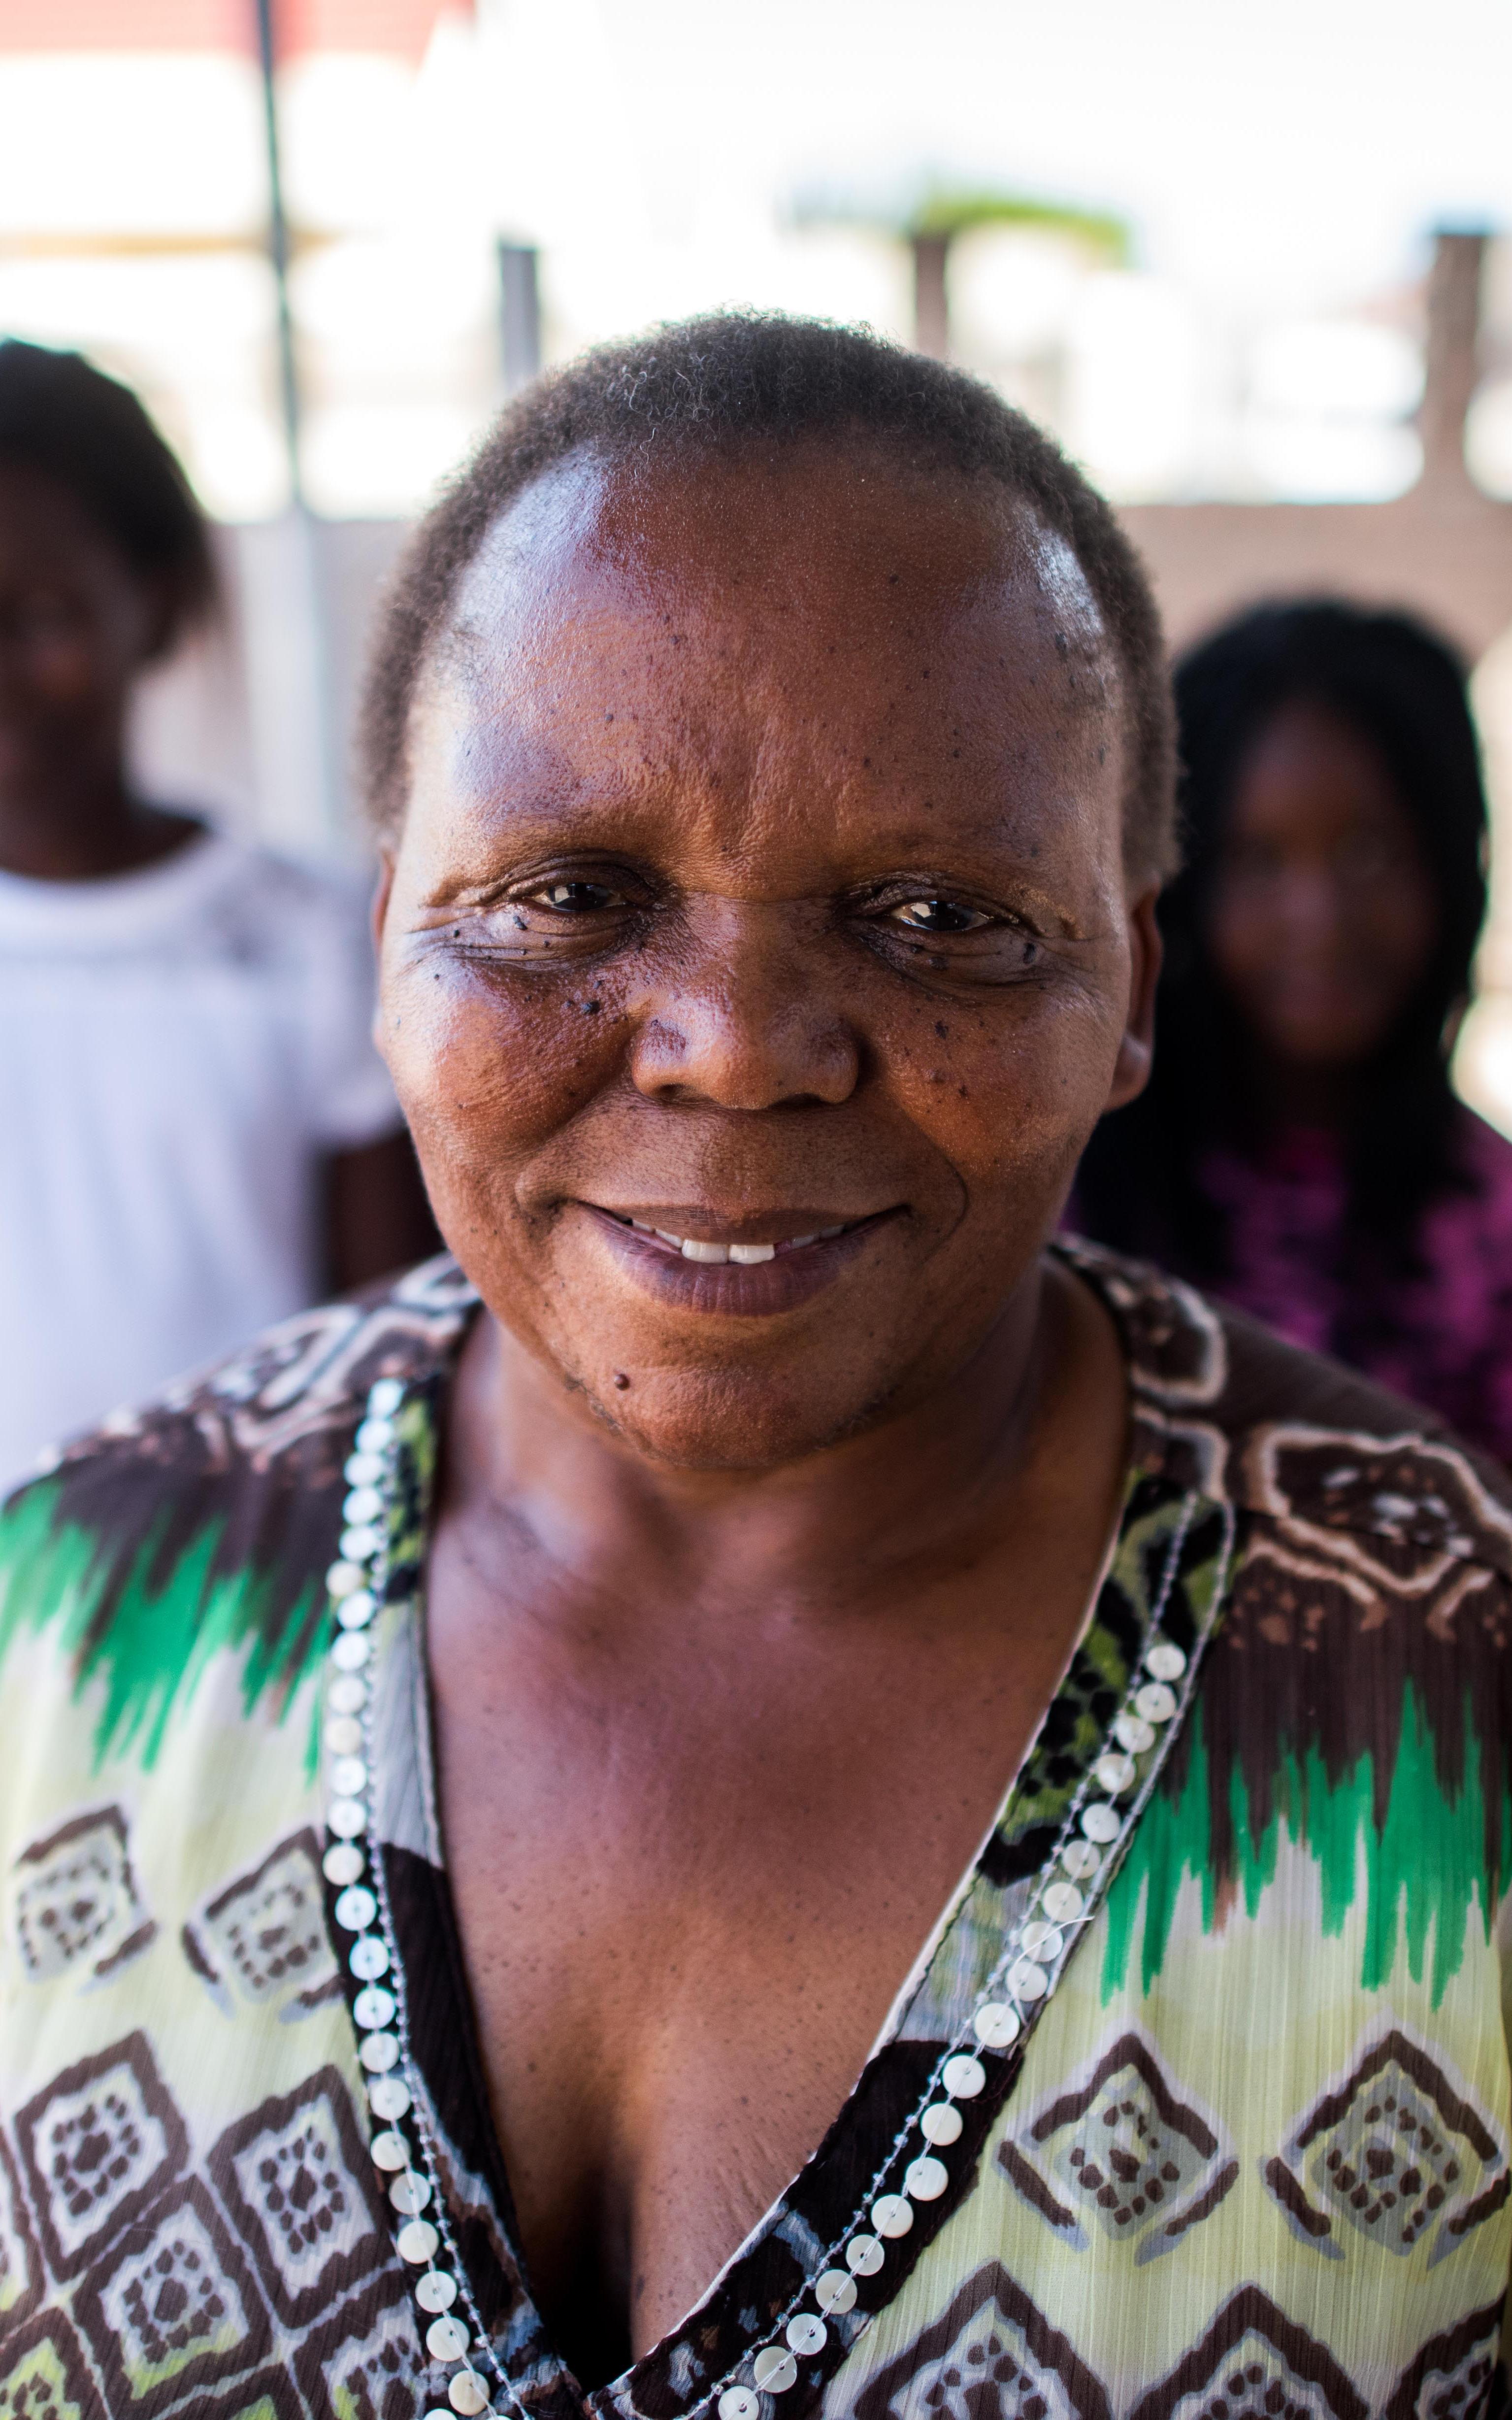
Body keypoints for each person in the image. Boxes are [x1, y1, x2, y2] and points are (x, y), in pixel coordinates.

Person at [0, 318, 1507, 2420]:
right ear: (381, 942)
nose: (731, 1041)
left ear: (1128, 983)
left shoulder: (1452, 1690)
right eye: (562, 895)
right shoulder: (60, 1629)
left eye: (932, 911)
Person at [0, 338, 434, 1487]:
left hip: (230, 1590)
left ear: (149, 603)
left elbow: (384, 1327)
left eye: (38, 612)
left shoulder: (319, 942)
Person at [1074, 598, 1512, 1458]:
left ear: (1454, 866)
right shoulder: (1068, 1199)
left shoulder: (1491, 1228)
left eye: (1372, 853)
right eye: (1258, 859)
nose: (1320, 919)